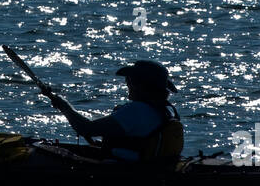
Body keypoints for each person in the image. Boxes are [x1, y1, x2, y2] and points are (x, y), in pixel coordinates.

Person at [46, 60, 184, 162]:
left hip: (125, 173)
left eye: (130, 80)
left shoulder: (137, 110)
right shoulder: (168, 110)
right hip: (151, 168)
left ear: (139, 85)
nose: (127, 83)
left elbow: (85, 128)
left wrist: (63, 106)